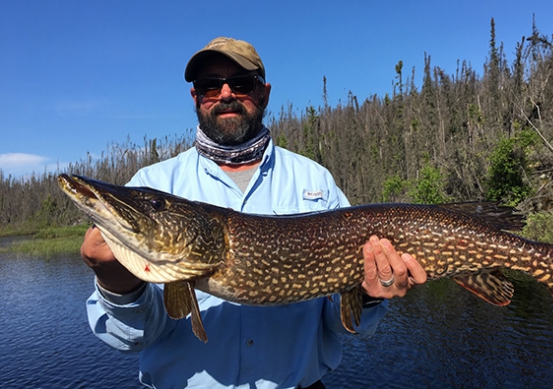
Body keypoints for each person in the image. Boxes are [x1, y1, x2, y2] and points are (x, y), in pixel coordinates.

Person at [80, 37, 428, 389]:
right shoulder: (153, 183)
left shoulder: (314, 180)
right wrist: (117, 281)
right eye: (210, 85)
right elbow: (132, 338)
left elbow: (342, 321)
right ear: (196, 96)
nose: (226, 94)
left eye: (242, 83)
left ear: (263, 94)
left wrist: (369, 294)